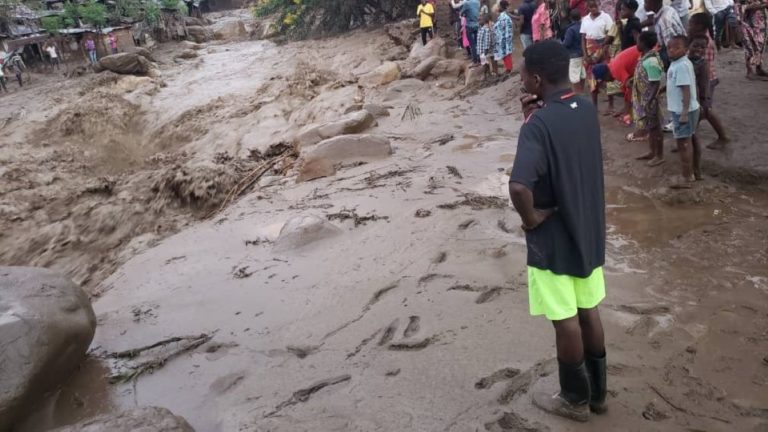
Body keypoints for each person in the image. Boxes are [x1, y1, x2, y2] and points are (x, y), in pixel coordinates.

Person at [510, 39, 607, 423]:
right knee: (588, 310)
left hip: (554, 237)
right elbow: (565, 148)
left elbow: (520, 187)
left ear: (536, 80)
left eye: (523, 76)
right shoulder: (586, 108)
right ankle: (598, 395)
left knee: (565, 318)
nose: (521, 81)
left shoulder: (538, 125)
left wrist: (530, 219)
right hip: (587, 228)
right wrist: (534, 118)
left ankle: (573, 399)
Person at [688, 12, 729, 147]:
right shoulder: (700, 39)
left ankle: (723, 137)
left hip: (706, 81)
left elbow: (702, 66)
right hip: (701, 79)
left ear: (699, 26)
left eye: (691, 24)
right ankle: (688, 139)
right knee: (697, 110)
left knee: (706, 109)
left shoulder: (704, 43)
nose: (689, 26)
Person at [666, 35, 702, 188]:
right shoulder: (679, 63)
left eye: (676, 47)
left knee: (683, 144)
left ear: (686, 49)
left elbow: (686, 90)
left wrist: (684, 113)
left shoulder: (681, 66)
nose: (671, 50)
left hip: (683, 111)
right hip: (684, 109)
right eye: (669, 47)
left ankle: (687, 177)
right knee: (689, 140)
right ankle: (694, 172)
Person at [631, 31, 665, 164]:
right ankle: (652, 152)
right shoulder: (645, 58)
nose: (636, 44)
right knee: (651, 127)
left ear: (643, 43)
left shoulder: (651, 61)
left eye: (638, 41)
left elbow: (655, 83)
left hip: (650, 100)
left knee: (656, 128)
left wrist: (650, 100)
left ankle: (659, 155)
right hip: (646, 99)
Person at [591, 45, 640, 117]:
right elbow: (626, 89)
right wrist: (624, 109)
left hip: (646, 51)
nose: (608, 82)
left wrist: (627, 111)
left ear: (605, 75)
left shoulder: (615, 70)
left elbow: (630, 87)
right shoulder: (612, 65)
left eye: (605, 80)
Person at [580, 0, 614, 106]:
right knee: (591, 78)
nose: (593, 8)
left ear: (599, 5)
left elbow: (610, 35)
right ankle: (594, 106)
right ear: (588, 7)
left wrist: (602, 51)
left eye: (595, 6)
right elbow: (583, 38)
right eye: (591, 7)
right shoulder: (585, 19)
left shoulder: (606, 17)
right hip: (590, 50)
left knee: (607, 75)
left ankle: (611, 104)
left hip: (604, 48)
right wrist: (585, 54)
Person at [645, 0, 687, 67]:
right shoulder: (667, 9)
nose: (644, 4)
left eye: (646, 1)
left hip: (677, 61)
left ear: (653, 3)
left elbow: (673, 50)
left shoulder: (665, 21)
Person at [734, 0, 768, 80]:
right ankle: (749, 71)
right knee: (749, 46)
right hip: (747, 23)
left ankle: (759, 68)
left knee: (760, 45)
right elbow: (742, 7)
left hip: (759, 22)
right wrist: (761, 5)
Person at [563, 9, 586, 91]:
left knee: (574, 77)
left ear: (570, 18)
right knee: (582, 74)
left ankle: (577, 93)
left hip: (573, 55)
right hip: (583, 54)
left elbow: (567, 43)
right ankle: (581, 91)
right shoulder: (583, 27)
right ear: (580, 17)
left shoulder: (570, 29)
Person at [495, 0, 516, 73]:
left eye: (499, 6)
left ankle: (509, 68)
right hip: (503, 38)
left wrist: (506, 39)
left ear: (501, 7)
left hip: (504, 38)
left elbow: (507, 29)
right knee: (505, 54)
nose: (498, 8)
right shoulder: (503, 16)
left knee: (506, 54)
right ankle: (508, 68)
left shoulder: (505, 17)